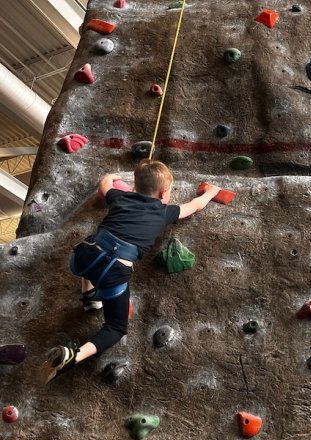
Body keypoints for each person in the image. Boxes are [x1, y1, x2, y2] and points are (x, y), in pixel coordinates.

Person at [43, 159, 220, 383]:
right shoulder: (164, 212)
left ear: (135, 186)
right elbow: (195, 206)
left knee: (95, 241)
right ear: (164, 193)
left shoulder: (120, 197)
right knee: (116, 328)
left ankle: (89, 295)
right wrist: (210, 193)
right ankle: (73, 356)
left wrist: (112, 176)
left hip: (83, 259)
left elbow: (104, 186)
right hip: (113, 273)